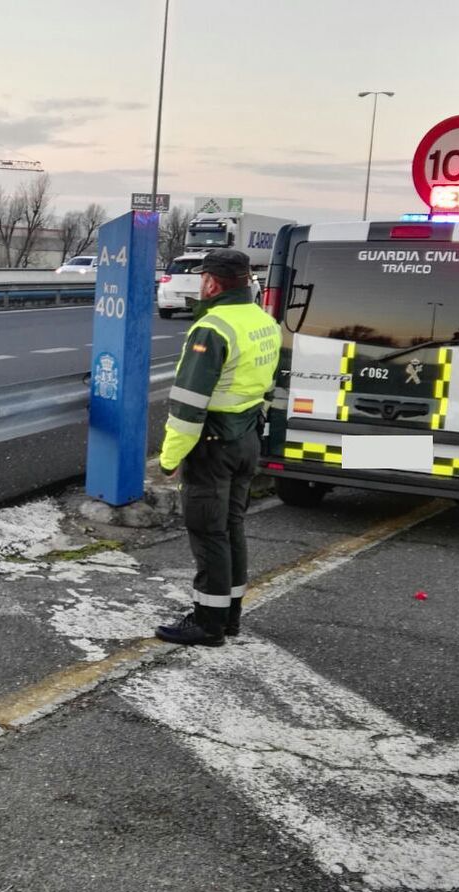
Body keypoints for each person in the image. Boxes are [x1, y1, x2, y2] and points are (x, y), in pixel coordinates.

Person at [154, 249, 281, 646]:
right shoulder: (264, 322)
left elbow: (189, 404)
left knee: (209, 532)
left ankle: (208, 624)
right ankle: (229, 617)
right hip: (245, 439)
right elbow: (269, 387)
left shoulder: (213, 328)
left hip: (212, 445)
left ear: (211, 282)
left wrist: (170, 457)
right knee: (231, 527)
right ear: (247, 280)